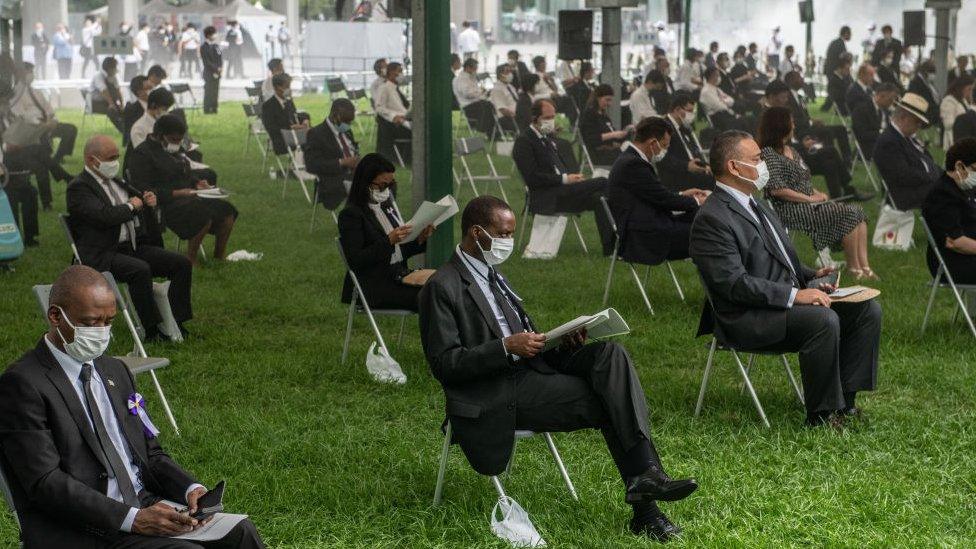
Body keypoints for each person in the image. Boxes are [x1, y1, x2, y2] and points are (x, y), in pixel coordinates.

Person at [418, 195, 699, 542]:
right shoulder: (441, 286)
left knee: (611, 354)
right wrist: (505, 348)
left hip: (532, 367)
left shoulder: (494, 275)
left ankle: (648, 476)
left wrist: (559, 341)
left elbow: (521, 338)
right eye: (503, 234)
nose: (509, 241)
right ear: (477, 233)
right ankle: (647, 507)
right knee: (609, 401)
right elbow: (446, 364)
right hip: (495, 389)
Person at [0, 264, 265, 548]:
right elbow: (45, 483)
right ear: (55, 316)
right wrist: (133, 518)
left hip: (143, 504)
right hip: (84, 526)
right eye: (90, 323)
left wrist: (190, 488)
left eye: (108, 321)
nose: (101, 332)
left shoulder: (115, 371)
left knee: (241, 532)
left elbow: (149, 453)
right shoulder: (23, 384)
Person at [690, 130, 882, 427]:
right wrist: (796, 296)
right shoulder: (712, 218)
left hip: (778, 303)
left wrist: (811, 275)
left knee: (866, 309)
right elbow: (732, 284)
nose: (763, 164)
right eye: (756, 159)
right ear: (734, 167)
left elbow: (777, 255)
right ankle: (821, 415)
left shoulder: (756, 203)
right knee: (822, 320)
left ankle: (845, 401)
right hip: (746, 317)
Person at [66, 135, 193, 341]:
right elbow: (104, 216)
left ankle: (177, 322)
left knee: (181, 263)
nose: (115, 162)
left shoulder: (117, 180)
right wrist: (131, 206)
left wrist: (147, 201)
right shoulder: (79, 187)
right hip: (102, 252)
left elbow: (138, 203)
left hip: (132, 246)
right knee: (139, 270)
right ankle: (152, 329)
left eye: (117, 156)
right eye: (110, 158)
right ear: (91, 160)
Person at [757, 106, 874, 279]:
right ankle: (853, 267)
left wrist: (818, 194)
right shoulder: (768, 154)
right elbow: (777, 190)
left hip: (809, 202)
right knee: (849, 214)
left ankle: (864, 267)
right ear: (781, 126)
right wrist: (810, 199)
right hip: (789, 209)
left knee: (857, 212)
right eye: (791, 122)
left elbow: (804, 179)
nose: (794, 126)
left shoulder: (792, 150)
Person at [129, 115, 237, 265]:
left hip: (190, 196)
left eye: (180, 140)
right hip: (166, 202)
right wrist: (177, 193)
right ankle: (190, 258)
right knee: (201, 214)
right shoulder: (142, 154)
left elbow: (184, 171)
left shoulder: (172, 149)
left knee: (227, 211)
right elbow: (143, 189)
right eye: (174, 139)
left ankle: (219, 254)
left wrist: (197, 183)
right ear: (160, 135)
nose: (178, 143)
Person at [512, 99, 614, 254]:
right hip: (547, 197)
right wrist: (565, 179)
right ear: (535, 118)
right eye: (547, 118)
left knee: (600, 198)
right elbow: (532, 178)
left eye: (553, 117)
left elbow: (558, 166)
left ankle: (611, 248)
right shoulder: (524, 142)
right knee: (602, 181)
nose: (551, 121)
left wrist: (572, 178)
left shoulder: (547, 139)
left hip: (564, 192)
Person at [607, 116, 708, 267]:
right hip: (644, 235)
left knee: (704, 219)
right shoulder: (634, 164)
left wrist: (682, 195)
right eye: (664, 146)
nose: (664, 151)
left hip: (649, 223)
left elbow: (655, 195)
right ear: (653, 143)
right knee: (709, 233)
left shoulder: (631, 159)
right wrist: (697, 201)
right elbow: (663, 200)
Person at [338, 153, 433, 311]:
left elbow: (397, 252)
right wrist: (389, 241)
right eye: (382, 186)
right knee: (435, 297)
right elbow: (356, 259)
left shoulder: (386, 208)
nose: (387, 190)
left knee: (446, 287)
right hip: (374, 286)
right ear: (365, 182)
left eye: (391, 184)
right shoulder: (351, 215)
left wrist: (419, 240)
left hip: (398, 275)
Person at [782, 71, 867, 200]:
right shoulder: (786, 99)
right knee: (830, 146)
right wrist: (810, 124)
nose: (802, 79)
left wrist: (812, 121)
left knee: (837, 136)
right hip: (801, 136)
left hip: (805, 134)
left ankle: (842, 194)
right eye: (798, 77)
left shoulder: (798, 97)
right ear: (790, 80)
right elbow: (795, 123)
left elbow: (803, 117)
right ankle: (847, 182)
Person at [921, 138, 976, 285]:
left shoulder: (965, 189)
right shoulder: (942, 194)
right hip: (955, 264)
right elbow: (955, 242)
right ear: (959, 166)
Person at [874, 93, 942, 210]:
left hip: (923, 186)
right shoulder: (889, 141)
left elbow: (927, 161)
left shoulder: (907, 138)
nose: (919, 126)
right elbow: (904, 175)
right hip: (908, 194)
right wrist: (932, 177)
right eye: (917, 122)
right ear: (903, 118)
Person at [304, 98, 359, 212]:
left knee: (385, 180)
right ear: (335, 116)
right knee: (368, 187)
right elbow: (311, 164)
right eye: (346, 122)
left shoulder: (347, 131)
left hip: (354, 173)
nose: (348, 125)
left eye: (350, 122)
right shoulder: (316, 134)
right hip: (334, 178)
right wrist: (342, 162)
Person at [658, 91, 714, 192]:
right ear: (677, 109)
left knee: (718, 175)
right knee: (716, 181)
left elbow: (693, 152)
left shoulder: (684, 128)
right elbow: (663, 158)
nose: (691, 115)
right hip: (676, 176)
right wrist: (686, 166)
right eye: (689, 111)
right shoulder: (663, 127)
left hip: (690, 170)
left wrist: (705, 165)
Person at [579, 84, 629, 167]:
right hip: (600, 155)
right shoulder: (589, 115)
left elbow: (613, 134)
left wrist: (625, 132)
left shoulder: (603, 115)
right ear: (598, 98)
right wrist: (613, 135)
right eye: (607, 100)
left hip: (609, 151)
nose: (609, 104)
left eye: (610, 100)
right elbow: (592, 139)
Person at [373, 61, 412, 163]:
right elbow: (379, 108)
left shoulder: (395, 89)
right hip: (395, 123)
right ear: (391, 72)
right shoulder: (384, 88)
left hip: (405, 119)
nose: (401, 74)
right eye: (399, 71)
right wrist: (394, 116)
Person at [261, 73, 308, 156]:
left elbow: (295, 115)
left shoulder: (288, 101)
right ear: (278, 88)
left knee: (317, 137)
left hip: (295, 136)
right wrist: (291, 128)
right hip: (282, 141)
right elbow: (272, 128)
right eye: (287, 86)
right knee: (313, 141)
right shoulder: (268, 106)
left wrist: (305, 120)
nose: (289, 89)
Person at [851, 82, 897, 161]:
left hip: (885, 144)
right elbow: (861, 135)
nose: (892, 103)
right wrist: (883, 133)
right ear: (881, 95)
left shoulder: (885, 110)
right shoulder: (861, 109)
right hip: (868, 147)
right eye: (890, 100)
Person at [452, 57, 495, 137]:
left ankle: (492, 133)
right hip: (468, 106)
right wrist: (481, 92)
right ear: (468, 68)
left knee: (492, 105)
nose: (476, 70)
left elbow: (476, 93)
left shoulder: (472, 78)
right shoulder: (460, 79)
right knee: (488, 106)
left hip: (477, 103)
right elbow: (467, 94)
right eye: (475, 68)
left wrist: (484, 93)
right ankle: (482, 129)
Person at [90, 57, 126, 134]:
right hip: (96, 103)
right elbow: (104, 91)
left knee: (124, 111)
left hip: (108, 102)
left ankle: (128, 128)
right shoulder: (98, 76)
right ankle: (123, 130)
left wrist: (122, 105)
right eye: (115, 67)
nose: (116, 69)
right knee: (112, 111)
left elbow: (118, 91)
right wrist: (112, 104)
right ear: (109, 68)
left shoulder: (113, 77)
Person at [699, 67, 742, 131]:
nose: (719, 77)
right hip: (718, 118)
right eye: (718, 75)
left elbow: (731, 100)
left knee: (746, 120)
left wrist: (723, 100)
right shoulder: (706, 91)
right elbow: (719, 106)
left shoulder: (716, 88)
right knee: (744, 122)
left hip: (725, 114)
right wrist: (724, 101)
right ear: (712, 76)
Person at [940, 75, 974, 148]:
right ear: (961, 88)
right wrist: (962, 121)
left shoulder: (963, 101)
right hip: (953, 138)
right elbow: (948, 124)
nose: (970, 92)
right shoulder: (948, 101)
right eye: (969, 89)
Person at [489, 64, 519, 134]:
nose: (510, 74)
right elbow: (503, 110)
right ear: (500, 74)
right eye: (507, 71)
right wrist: (519, 116)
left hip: (517, 115)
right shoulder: (497, 89)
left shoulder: (510, 86)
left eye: (510, 71)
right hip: (506, 118)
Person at [908, 60, 940, 125]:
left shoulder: (929, 83)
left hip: (932, 117)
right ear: (925, 72)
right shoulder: (915, 83)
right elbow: (915, 101)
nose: (933, 75)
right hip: (923, 117)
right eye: (931, 72)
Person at [122, 76, 151, 147]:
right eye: (148, 89)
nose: (152, 91)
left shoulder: (157, 105)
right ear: (139, 92)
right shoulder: (132, 110)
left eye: (152, 88)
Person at [199, 26, 221, 115]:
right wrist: (215, 69)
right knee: (208, 91)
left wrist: (220, 68)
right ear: (208, 35)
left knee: (215, 91)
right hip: (209, 72)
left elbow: (220, 58)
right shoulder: (204, 47)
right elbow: (206, 61)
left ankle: (214, 108)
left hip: (217, 72)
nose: (215, 36)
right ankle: (207, 109)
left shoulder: (216, 46)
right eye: (214, 34)